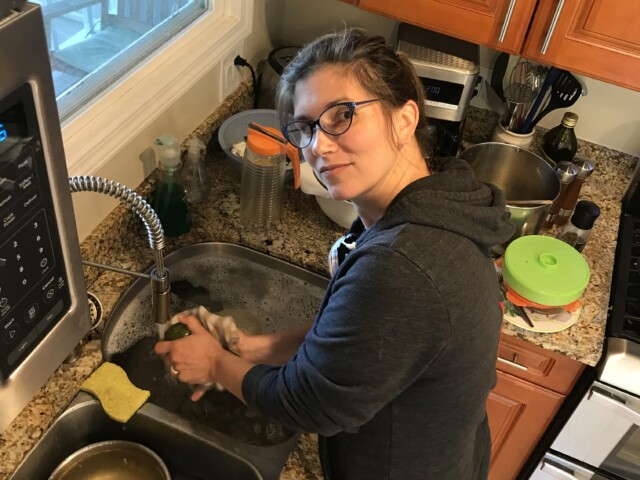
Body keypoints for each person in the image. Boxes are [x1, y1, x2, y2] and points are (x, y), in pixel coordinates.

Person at [155, 28, 515, 480]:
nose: (318, 146)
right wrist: (253, 347)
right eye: (305, 128)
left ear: (404, 120)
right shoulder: (433, 206)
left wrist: (215, 363)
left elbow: (307, 404)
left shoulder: (404, 264)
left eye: (342, 115)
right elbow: (355, 335)